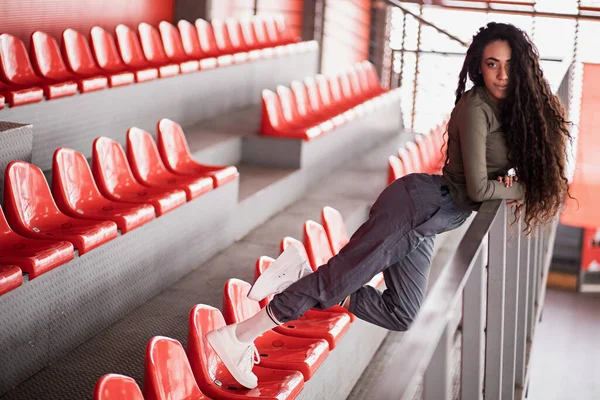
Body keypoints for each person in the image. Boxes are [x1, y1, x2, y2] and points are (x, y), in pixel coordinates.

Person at [206, 22, 572, 389]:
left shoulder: (511, 107)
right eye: (492, 64)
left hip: (430, 220)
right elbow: (478, 188)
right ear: (479, 65)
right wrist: (519, 189)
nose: (502, 74)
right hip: (414, 208)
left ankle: (303, 276)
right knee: (334, 283)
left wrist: (509, 181)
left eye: (509, 65)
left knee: (402, 313)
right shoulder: (477, 108)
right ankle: (237, 336)